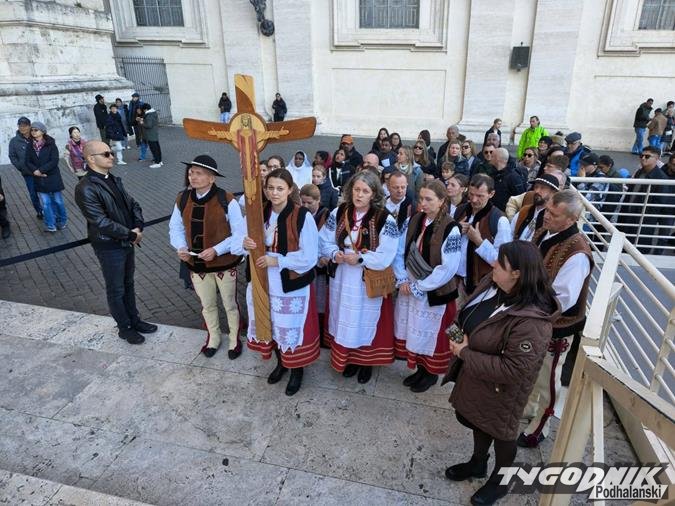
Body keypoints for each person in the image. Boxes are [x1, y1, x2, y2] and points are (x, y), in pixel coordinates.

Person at [445, 240, 558, 506]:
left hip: (502, 390)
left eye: (500, 263)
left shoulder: (533, 322)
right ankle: (478, 463)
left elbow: (513, 369)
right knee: (479, 420)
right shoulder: (493, 284)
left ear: (517, 274)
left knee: (501, 433)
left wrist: (464, 353)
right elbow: (468, 310)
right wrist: (457, 334)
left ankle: (500, 481)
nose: (493, 264)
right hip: (478, 377)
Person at [521, 190, 593, 447]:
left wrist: (526, 305)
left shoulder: (578, 252)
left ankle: (542, 424)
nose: (547, 216)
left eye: (554, 214)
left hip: (556, 326)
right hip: (533, 316)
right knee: (531, 369)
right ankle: (530, 408)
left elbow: (563, 298)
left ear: (572, 219)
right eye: (548, 210)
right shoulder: (544, 231)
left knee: (548, 378)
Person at [243, 168, 320, 396]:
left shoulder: (302, 216)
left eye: (279, 188)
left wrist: (278, 260)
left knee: (289, 326)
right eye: (270, 188)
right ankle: (281, 363)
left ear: (290, 190)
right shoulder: (258, 212)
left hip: (290, 282)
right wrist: (245, 244)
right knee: (271, 323)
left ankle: (296, 370)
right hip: (263, 279)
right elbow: (239, 242)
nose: (274, 193)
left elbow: (309, 256)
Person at [319, 170, 399, 384]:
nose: (359, 195)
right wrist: (334, 254)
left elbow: (387, 254)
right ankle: (351, 359)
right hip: (342, 275)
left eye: (365, 191)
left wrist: (361, 259)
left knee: (364, 319)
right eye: (356, 190)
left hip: (367, 278)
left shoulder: (385, 218)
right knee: (345, 317)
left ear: (374, 194)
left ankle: (366, 363)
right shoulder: (339, 211)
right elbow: (324, 240)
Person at [74, 141, 157, 344]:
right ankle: (124, 327)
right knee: (116, 288)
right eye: (106, 154)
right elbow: (100, 222)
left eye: (111, 152)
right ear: (91, 159)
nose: (111, 156)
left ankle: (135, 320)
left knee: (128, 284)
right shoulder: (85, 187)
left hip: (127, 240)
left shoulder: (113, 179)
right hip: (109, 246)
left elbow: (133, 204)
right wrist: (130, 235)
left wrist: (138, 226)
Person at [169, 155, 245, 358]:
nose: (193, 177)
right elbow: (175, 227)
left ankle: (234, 339)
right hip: (196, 265)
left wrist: (216, 250)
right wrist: (180, 246)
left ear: (212, 178)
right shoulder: (182, 198)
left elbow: (239, 234)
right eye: (191, 173)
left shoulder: (226, 199)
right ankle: (214, 337)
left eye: (198, 173)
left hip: (223, 264)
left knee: (229, 304)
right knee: (207, 305)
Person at [394, 180, 462, 392]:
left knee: (434, 334)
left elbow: (448, 268)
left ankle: (430, 374)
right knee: (415, 329)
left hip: (435, 291)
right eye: (421, 198)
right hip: (411, 285)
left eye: (429, 199)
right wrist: (402, 278)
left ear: (442, 201)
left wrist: (420, 287)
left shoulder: (451, 227)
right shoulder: (415, 219)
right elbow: (400, 250)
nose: (423, 203)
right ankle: (420, 370)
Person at [455, 174, 511, 297]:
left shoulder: (499, 220)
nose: (474, 200)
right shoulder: (460, 211)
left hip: (480, 287)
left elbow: (502, 261)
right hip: (455, 281)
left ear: (491, 194)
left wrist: (479, 242)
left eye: (480, 196)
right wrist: (454, 231)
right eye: (471, 194)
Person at [299, 183, 331, 348]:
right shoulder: (299, 214)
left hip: (321, 267)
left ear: (318, 200)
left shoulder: (327, 215)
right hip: (305, 266)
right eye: (303, 202)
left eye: (309, 203)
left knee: (320, 302)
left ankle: (321, 335)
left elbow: (329, 240)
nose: (305, 206)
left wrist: (323, 256)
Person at [25, 122, 67, 233]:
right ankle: (50, 224)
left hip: (52, 177)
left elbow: (54, 160)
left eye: (36, 130)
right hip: (39, 179)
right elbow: (27, 161)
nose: (33, 132)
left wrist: (41, 170)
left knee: (58, 201)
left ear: (42, 131)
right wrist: (35, 171)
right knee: (46, 203)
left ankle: (62, 221)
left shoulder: (51, 144)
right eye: (32, 130)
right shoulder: (30, 145)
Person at [8, 117, 43, 218]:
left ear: (29, 126)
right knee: (33, 193)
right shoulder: (14, 141)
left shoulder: (36, 136)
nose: (22, 128)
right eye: (20, 126)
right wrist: (20, 166)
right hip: (28, 172)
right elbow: (12, 156)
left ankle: (49, 210)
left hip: (41, 170)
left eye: (25, 126)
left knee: (46, 192)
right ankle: (39, 211)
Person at [511, 174, 560, 241]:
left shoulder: (552, 218)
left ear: (553, 192)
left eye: (542, 188)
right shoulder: (525, 210)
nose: (537, 191)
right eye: (536, 187)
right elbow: (511, 233)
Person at [139, 103, 162, 168]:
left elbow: (149, 125)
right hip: (154, 133)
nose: (143, 111)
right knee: (157, 148)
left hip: (150, 135)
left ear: (145, 109)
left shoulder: (149, 115)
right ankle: (159, 161)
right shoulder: (153, 113)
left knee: (154, 149)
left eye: (143, 110)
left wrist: (142, 123)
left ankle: (157, 163)